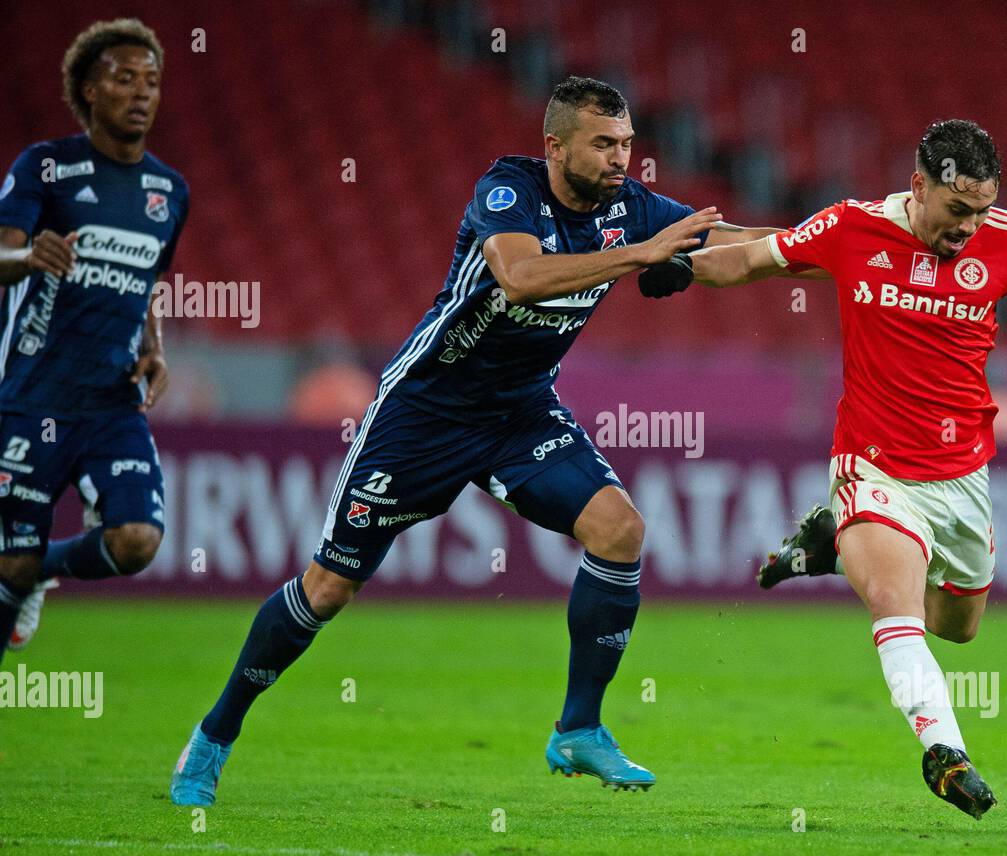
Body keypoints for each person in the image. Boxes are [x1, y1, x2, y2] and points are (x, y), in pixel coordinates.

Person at [170, 76, 780, 805]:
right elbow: (521, 279)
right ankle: (214, 734)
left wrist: (843, 240)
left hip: (519, 414)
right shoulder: (507, 190)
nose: (621, 159)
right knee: (328, 588)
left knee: (619, 531)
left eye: (626, 143)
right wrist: (641, 257)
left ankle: (578, 729)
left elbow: (737, 246)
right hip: (425, 414)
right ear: (555, 147)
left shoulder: (632, 209)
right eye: (603, 144)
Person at [638, 119, 1007, 818]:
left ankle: (825, 544)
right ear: (919, 187)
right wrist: (683, 268)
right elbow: (755, 258)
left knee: (959, 625)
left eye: (979, 211)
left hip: (963, 475)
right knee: (895, 603)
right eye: (956, 211)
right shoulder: (850, 227)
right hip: (873, 463)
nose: (969, 228)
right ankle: (945, 751)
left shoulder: (1006, 241)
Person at [0, 18, 182, 662]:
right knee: (8, 570)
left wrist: (154, 346)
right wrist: (27, 260)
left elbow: (148, 280)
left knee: (137, 539)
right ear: (87, 90)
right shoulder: (44, 167)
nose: (141, 92)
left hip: (110, 399)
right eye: (124, 78)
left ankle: (48, 566)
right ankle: (27, 572)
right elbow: (3, 253)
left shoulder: (169, 191)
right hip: (30, 395)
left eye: (151, 81)